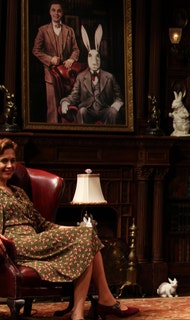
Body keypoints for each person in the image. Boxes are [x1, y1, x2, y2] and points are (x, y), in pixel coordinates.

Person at [0, 138, 139, 320]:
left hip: (35, 238)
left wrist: (70, 230)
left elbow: (42, 223)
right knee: (85, 236)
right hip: (16, 244)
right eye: (4, 161)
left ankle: (80, 312)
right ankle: (104, 301)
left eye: (12, 160)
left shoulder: (19, 192)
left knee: (86, 237)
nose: (10, 165)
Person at [60, 24, 124, 124]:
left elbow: (119, 96)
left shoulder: (109, 77)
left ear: (100, 58)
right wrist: (65, 102)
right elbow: (74, 96)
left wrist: (117, 104)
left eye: (97, 57)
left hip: (104, 110)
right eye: (91, 57)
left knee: (113, 112)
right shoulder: (81, 77)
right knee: (81, 112)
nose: (94, 61)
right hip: (88, 111)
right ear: (87, 59)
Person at [32, 0, 80, 123]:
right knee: (53, 109)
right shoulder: (42, 30)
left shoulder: (69, 30)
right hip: (50, 75)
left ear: (62, 13)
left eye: (59, 11)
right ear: (49, 12)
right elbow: (36, 50)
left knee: (67, 107)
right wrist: (50, 59)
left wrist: (71, 59)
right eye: (53, 10)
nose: (56, 13)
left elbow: (76, 50)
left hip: (67, 76)